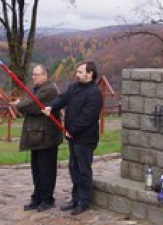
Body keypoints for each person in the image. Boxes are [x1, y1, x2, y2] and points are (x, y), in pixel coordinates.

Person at [44, 61, 103, 216]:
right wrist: (51, 106)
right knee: (73, 168)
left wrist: (73, 130)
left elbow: (88, 117)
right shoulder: (74, 87)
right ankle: (75, 198)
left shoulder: (94, 93)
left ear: (90, 74)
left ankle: (84, 201)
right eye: (77, 72)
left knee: (83, 170)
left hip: (85, 139)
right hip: (73, 138)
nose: (77, 75)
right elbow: (62, 98)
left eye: (81, 72)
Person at [10, 64, 63, 212]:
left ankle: (47, 198)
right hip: (36, 135)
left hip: (47, 136)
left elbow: (31, 105)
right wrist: (22, 105)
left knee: (46, 169)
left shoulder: (49, 90)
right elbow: (29, 105)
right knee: (37, 169)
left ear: (45, 75)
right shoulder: (37, 89)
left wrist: (20, 104)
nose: (34, 77)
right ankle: (37, 196)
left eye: (37, 75)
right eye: (33, 75)